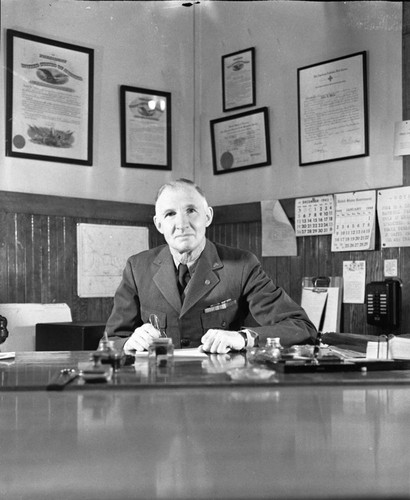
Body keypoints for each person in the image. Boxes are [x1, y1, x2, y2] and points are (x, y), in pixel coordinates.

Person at [105, 178, 317, 354]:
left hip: (220, 387)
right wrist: (128, 343)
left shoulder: (242, 265)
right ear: (159, 224)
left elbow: (301, 327)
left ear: (208, 216)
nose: (182, 224)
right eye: (170, 214)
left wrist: (243, 337)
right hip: (159, 388)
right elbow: (111, 341)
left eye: (191, 210)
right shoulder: (137, 267)